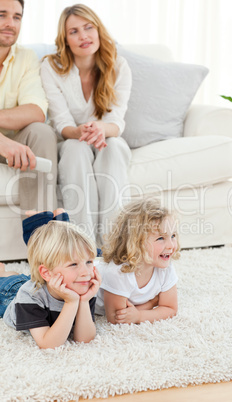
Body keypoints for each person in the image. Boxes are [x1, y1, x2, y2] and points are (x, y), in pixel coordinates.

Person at [40, 4, 132, 246]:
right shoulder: (50, 67)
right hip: (71, 139)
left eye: (88, 27)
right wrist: (80, 132)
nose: (83, 36)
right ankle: (84, 244)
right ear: (65, 39)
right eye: (74, 31)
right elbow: (62, 123)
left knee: (114, 147)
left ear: (99, 30)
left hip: (107, 137)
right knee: (75, 149)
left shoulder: (119, 65)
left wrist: (101, 130)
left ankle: (115, 244)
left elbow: (116, 120)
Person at [0, 209, 101, 349]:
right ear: (47, 273)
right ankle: (3, 272)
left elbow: (84, 339)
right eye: (73, 264)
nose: (86, 272)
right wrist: (71, 303)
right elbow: (48, 343)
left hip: (45, 282)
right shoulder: (29, 296)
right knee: (10, 280)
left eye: (89, 262)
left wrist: (83, 301)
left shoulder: (82, 286)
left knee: (25, 278)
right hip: (10, 293)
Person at [0, 0, 57, 217]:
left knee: (41, 131)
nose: (10, 24)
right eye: (1, 15)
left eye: (17, 17)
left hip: (14, 147)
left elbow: (36, 111)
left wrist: (8, 144)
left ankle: (43, 236)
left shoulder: (25, 58)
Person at [95, 198, 180, 324]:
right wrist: (152, 303)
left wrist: (139, 315)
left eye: (173, 236)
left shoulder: (164, 265)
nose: (171, 245)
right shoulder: (118, 272)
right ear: (135, 243)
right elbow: (116, 318)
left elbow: (170, 308)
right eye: (161, 238)